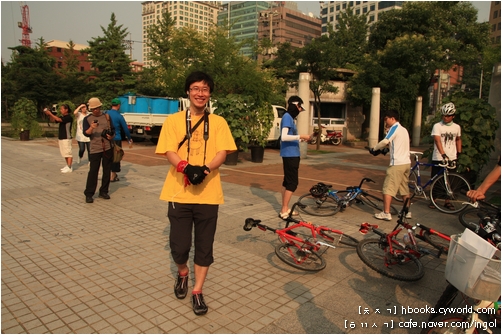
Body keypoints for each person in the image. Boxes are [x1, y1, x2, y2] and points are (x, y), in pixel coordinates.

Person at [155, 71, 236, 316]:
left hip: (209, 194)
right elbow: (169, 150)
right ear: (188, 92)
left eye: (205, 89)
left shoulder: (219, 122)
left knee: (204, 247)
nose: (200, 93)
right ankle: (182, 273)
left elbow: (223, 151)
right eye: (195, 88)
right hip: (179, 193)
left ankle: (197, 291)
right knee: (179, 247)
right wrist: (185, 167)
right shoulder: (173, 121)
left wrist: (205, 169)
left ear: (209, 93)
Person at [370, 110, 411, 221]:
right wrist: (386, 150)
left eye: (386, 119)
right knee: (404, 189)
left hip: (396, 164)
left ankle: (386, 213)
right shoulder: (404, 130)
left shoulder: (394, 128)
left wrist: (374, 148)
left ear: (392, 118)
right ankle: (407, 211)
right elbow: (396, 144)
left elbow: (385, 141)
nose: (386, 122)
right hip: (406, 163)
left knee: (388, 188)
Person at [279, 96, 311, 219]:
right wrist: (300, 136)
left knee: (287, 182)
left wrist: (304, 138)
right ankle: (284, 210)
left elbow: (289, 137)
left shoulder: (290, 118)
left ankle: (285, 208)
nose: (299, 110)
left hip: (290, 154)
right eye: (299, 107)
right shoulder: (287, 117)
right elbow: (284, 137)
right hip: (290, 155)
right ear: (295, 105)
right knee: (292, 183)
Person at [82, 98, 115, 203]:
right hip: (95, 148)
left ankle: (104, 191)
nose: (96, 110)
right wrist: (92, 127)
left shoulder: (107, 117)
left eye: (97, 108)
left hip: (107, 147)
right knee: (93, 171)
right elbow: (86, 133)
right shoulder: (87, 119)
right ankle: (89, 193)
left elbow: (113, 130)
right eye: (93, 109)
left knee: (107, 170)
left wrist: (111, 136)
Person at [430, 102, 462, 210]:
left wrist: (459, 153)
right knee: (436, 179)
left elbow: (458, 139)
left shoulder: (457, 127)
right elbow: (437, 140)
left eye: (448, 116)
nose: (445, 117)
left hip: (452, 156)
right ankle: (433, 199)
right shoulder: (437, 126)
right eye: (444, 115)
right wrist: (443, 154)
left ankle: (447, 201)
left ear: (453, 116)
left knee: (451, 180)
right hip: (439, 157)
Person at [107, 98, 133, 182]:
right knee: (116, 157)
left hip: (106, 139)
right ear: (118, 106)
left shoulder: (105, 114)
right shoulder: (119, 116)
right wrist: (129, 138)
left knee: (107, 156)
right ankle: (113, 175)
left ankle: (107, 174)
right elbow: (125, 129)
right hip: (116, 138)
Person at [43, 104, 74, 173]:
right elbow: (54, 120)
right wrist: (49, 114)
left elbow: (58, 119)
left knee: (68, 153)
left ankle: (69, 167)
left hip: (67, 137)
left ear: (66, 110)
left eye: (62, 109)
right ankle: (68, 165)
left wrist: (50, 113)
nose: (61, 110)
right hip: (61, 137)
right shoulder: (63, 117)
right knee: (64, 153)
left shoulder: (68, 117)